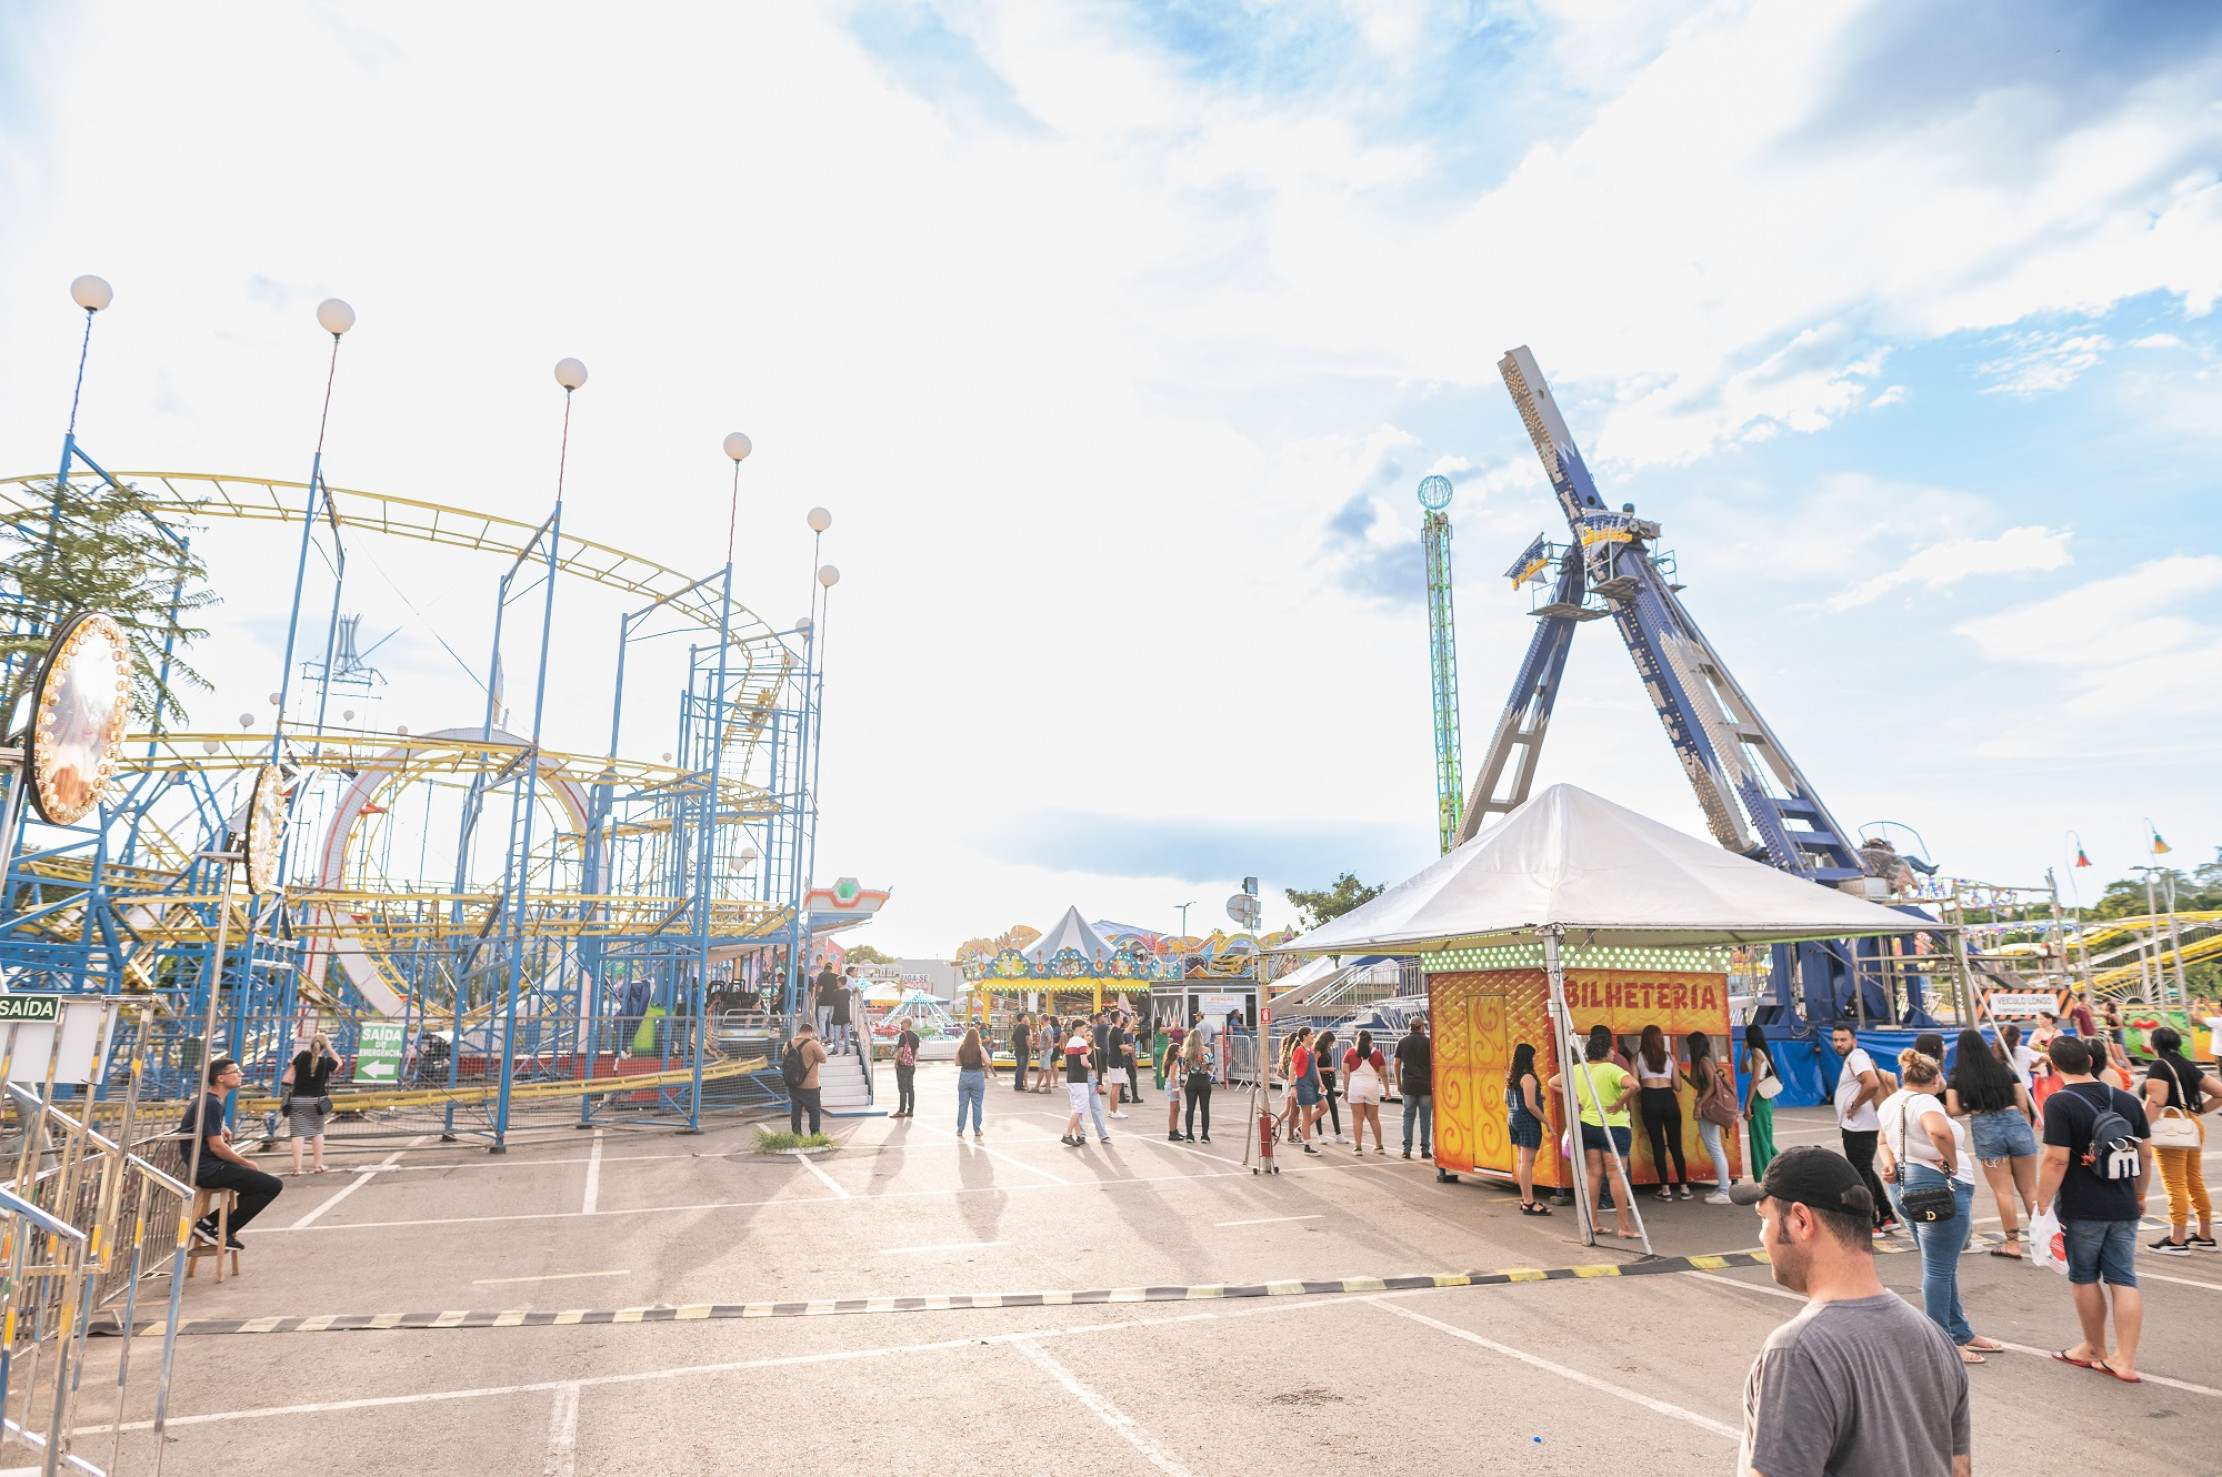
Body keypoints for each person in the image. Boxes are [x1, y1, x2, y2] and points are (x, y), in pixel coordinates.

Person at [1729, 1149, 1971, 1477]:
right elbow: (1959, 1469)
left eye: (1764, 1219)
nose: (1761, 1237)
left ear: (1801, 1220)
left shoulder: (1798, 1351)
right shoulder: (1934, 1338)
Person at [2036, 1035, 2153, 1383]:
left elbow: (2056, 1159)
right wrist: (2140, 1195)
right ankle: (2125, 1359)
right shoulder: (2127, 1100)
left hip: (2081, 1206)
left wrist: (2041, 1203)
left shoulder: (2059, 1102)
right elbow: (2145, 1153)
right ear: (2090, 1060)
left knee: (2085, 1277)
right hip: (2123, 1204)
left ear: (2054, 1067)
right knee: (2123, 1279)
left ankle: (2094, 1347)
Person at [1877, 1050, 2000, 1364]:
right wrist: (1953, 1162)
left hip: (1905, 1186)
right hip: (1936, 1186)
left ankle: (1959, 1331)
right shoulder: (1926, 1101)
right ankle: (1941, 1341)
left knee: (1941, 1265)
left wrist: (1890, 1163)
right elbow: (1939, 1131)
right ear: (1936, 1078)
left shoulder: (1891, 1102)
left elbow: (1882, 1141)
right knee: (1939, 1268)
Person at [1944, 1026, 2038, 1259]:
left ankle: (2013, 1243)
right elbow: (2023, 1103)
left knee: (2003, 1192)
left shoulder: (1958, 1075)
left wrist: (1972, 1106)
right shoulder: (2003, 1068)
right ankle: (2044, 1241)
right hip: (2015, 1122)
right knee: (2029, 1188)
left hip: (1985, 1126)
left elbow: (1954, 1109)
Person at [177, 1058, 284, 1247]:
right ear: (220, 1078)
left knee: (257, 1183)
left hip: (208, 1164)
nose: (240, 1075)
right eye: (235, 1071)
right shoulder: (212, 1103)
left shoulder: (210, 1100)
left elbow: (210, 1128)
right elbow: (216, 1146)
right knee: (272, 1185)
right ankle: (220, 1229)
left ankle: (211, 1224)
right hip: (208, 1169)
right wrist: (245, 1162)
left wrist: (222, 1126)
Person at [1549, 1025, 1637, 1239]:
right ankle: (1624, 1227)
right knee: (1616, 1174)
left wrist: (1575, 1096)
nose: (1614, 1053)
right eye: (1611, 1050)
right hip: (1614, 1126)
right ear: (1606, 1052)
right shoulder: (1613, 1069)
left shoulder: (1578, 1070)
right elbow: (1634, 1085)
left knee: (1594, 1173)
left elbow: (1552, 1083)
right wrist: (1618, 1104)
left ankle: (1594, 1223)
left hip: (1587, 1125)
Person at [2141, 1025, 2220, 1254]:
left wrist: (2142, 1130)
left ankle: (2177, 1240)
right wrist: (2196, 1112)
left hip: (2171, 1129)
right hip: (2191, 1125)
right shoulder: (2187, 1065)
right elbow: (2220, 1091)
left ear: (2155, 1045)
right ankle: (2205, 1235)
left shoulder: (2159, 1066)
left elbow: (2156, 1101)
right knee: (2194, 1180)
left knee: (2174, 1183)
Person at [1831, 1023, 1896, 1234]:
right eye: (1835, 1040)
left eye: (1843, 1040)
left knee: (1860, 1173)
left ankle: (1871, 1222)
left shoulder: (1857, 1056)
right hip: (1860, 1126)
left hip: (1859, 1127)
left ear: (1854, 1041)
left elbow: (1872, 1083)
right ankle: (1887, 1215)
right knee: (1865, 1169)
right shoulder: (1854, 1058)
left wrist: (1855, 1104)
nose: (1839, 1044)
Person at [1635, 1024, 1689, 1201]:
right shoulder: (1670, 1057)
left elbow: (1634, 1086)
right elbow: (1678, 1087)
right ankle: (1684, 1187)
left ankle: (1665, 1190)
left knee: (1657, 1145)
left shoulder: (1637, 1058)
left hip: (1649, 1098)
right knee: (1676, 1145)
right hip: (1668, 1098)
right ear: (1660, 1040)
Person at [1684, 1032, 1737, 1203]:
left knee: (1714, 1148)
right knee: (1714, 1147)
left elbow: (1712, 1087)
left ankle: (1724, 1191)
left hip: (1707, 1106)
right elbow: (1700, 1084)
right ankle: (1722, 1188)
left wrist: (1699, 1105)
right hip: (1706, 1105)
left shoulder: (1704, 1061)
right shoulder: (1704, 1061)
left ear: (1695, 1046)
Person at [283, 1032, 342, 1176]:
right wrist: (329, 1047)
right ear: (324, 1046)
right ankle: (317, 1165)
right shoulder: (327, 1062)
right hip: (317, 1100)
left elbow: (288, 1077)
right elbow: (339, 1063)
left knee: (298, 1134)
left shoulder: (301, 1056)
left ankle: (297, 1168)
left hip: (297, 1099)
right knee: (317, 1133)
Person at [1505, 1041, 1548, 1215]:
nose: (1535, 1060)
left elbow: (1506, 1100)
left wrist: (1537, 1096)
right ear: (1528, 1057)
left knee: (1522, 1160)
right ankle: (1529, 1202)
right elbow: (1531, 1105)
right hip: (1527, 1121)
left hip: (1513, 1118)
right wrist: (1547, 1122)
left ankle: (1526, 1199)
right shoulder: (1528, 1077)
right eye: (1534, 1056)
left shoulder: (1512, 1076)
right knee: (1527, 1162)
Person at [1061, 1019, 1111, 1146]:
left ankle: (1079, 1135)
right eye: (1084, 1029)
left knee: (1077, 1108)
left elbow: (1064, 1062)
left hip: (1071, 1078)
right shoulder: (1081, 1042)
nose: (1086, 1032)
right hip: (1080, 1079)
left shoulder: (1069, 1043)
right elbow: (1084, 1062)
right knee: (1080, 1108)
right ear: (1079, 1028)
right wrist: (1088, 1065)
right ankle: (1067, 1134)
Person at [1740, 1024, 1778, 1178]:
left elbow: (1754, 1081)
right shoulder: (1764, 1052)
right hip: (1767, 1099)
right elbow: (1743, 1070)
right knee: (1765, 1138)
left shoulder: (1756, 1053)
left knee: (1759, 1138)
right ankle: (1779, 1167)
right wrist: (1743, 1052)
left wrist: (1747, 1105)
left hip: (1759, 1098)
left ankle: (1763, 1175)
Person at [1342, 1030, 1389, 1154]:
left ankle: (1358, 1147)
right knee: (1373, 1118)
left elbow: (1346, 1073)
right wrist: (1387, 1091)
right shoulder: (1377, 1054)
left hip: (1355, 1086)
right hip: (1372, 1086)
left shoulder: (1350, 1052)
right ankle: (1379, 1146)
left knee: (1357, 1118)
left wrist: (1345, 1090)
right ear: (1370, 1041)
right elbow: (1383, 1074)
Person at [1395, 1019, 1432, 1159]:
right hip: (1425, 1085)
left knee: (1408, 1117)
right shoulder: (1428, 1042)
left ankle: (1406, 1149)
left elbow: (1397, 1064)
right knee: (1425, 1118)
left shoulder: (1402, 1041)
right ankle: (1425, 1149)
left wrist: (1399, 1083)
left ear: (1410, 1027)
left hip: (1409, 1085)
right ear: (1421, 1027)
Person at [786, 1021, 828, 1135]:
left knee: (796, 1111)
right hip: (811, 1085)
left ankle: (797, 1135)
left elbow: (785, 1060)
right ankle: (815, 1135)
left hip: (793, 1084)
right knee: (814, 1111)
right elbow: (823, 1059)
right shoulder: (813, 1044)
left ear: (799, 1031)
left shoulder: (788, 1044)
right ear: (810, 1032)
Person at [1288, 1027, 1322, 1154]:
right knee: (1306, 1116)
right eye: (1311, 1034)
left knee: (1324, 1107)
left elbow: (1315, 1067)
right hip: (1303, 1085)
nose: (1313, 1036)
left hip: (1313, 1085)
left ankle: (1301, 1129)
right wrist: (1292, 1087)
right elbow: (1292, 1068)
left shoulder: (1311, 1050)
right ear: (1304, 1037)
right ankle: (1307, 1145)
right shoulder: (1299, 1050)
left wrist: (1321, 1083)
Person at [954, 1025, 987, 1138]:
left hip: (964, 1075)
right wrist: (981, 1064)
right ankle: (977, 1130)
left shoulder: (961, 1048)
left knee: (963, 1105)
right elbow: (988, 1062)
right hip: (977, 1075)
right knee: (977, 1105)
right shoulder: (980, 1048)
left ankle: (960, 1129)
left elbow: (957, 1063)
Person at [1180, 1028, 1213, 1143]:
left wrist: (1190, 1064)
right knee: (1205, 1109)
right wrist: (1203, 1064)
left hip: (1191, 1081)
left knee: (1190, 1109)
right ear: (1201, 1038)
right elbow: (1210, 1068)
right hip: (1204, 1081)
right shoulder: (1207, 1050)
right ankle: (1205, 1136)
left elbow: (1184, 1070)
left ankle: (1189, 1135)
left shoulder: (1187, 1052)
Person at [1313, 1029, 1344, 1144]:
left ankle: (1338, 1134)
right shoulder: (1318, 1049)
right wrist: (1328, 1069)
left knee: (1333, 1107)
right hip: (1320, 1080)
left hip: (1328, 1080)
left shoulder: (1326, 1049)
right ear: (1327, 1040)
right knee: (1319, 1107)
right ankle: (1320, 1134)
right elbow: (1314, 1067)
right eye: (1331, 1042)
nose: (1331, 1045)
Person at [891, 1018, 920, 1118]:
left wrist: (896, 1062)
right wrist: (913, 1062)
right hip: (911, 1066)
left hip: (902, 1066)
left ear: (907, 1023)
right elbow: (916, 1052)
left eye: (902, 1023)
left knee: (902, 1089)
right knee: (910, 1088)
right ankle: (910, 1110)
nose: (900, 1024)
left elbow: (900, 1050)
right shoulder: (916, 1036)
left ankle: (901, 1111)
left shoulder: (903, 1036)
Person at [1160, 1031, 1186, 1142]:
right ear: (1175, 1052)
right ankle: (1172, 1132)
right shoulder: (1175, 1062)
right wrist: (1176, 1090)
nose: (1181, 1051)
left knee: (1177, 1109)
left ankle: (1175, 1130)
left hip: (1172, 1085)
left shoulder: (1174, 1060)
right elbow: (1172, 1078)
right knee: (1174, 1109)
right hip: (1172, 1086)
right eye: (1180, 1050)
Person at [811, 961, 839, 1042]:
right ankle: (831, 1037)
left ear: (825, 968)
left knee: (822, 1019)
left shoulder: (822, 976)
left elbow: (819, 989)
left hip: (824, 1001)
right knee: (832, 1020)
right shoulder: (837, 976)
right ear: (831, 969)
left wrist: (816, 996)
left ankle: (823, 1036)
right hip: (834, 1002)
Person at [829, 968, 855, 1052]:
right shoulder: (848, 992)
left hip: (837, 1015)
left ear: (840, 982)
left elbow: (832, 1002)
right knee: (846, 1033)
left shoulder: (834, 992)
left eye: (837, 982)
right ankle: (847, 1049)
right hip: (846, 1015)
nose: (836, 983)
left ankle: (835, 1049)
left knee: (837, 1033)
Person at [1010, 1012, 1032, 1093]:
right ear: (1023, 1018)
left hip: (1018, 1050)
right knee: (1022, 1068)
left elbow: (1013, 1039)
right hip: (1023, 1050)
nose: (1026, 1018)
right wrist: (1029, 1049)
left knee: (1019, 1068)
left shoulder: (1016, 1027)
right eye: (1026, 1017)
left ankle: (1017, 1085)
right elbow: (1027, 1038)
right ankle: (1019, 1086)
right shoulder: (1025, 1027)